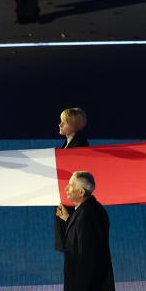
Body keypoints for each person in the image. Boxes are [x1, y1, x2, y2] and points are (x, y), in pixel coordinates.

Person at [54, 107, 89, 253]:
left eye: (64, 122)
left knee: (75, 244)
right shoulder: (66, 144)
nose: (60, 124)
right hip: (65, 197)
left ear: (74, 125)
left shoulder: (80, 145)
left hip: (73, 199)